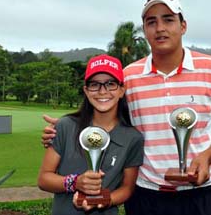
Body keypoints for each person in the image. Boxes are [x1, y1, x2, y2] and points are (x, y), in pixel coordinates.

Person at [42, 0, 211, 215]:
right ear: (145, 30)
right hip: (146, 196)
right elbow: (108, 117)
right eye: (151, 22)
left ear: (183, 25)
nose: (160, 28)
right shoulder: (129, 77)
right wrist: (63, 128)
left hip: (204, 195)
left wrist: (207, 157)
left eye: (168, 19)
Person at [38, 54, 144, 215]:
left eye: (111, 84)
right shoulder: (65, 126)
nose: (102, 91)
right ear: (86, 91)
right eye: (94, 84)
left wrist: (105, 200)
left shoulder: (132, 137)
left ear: (122, 90)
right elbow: (44, 179)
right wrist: (75, 183)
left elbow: (126, 189)